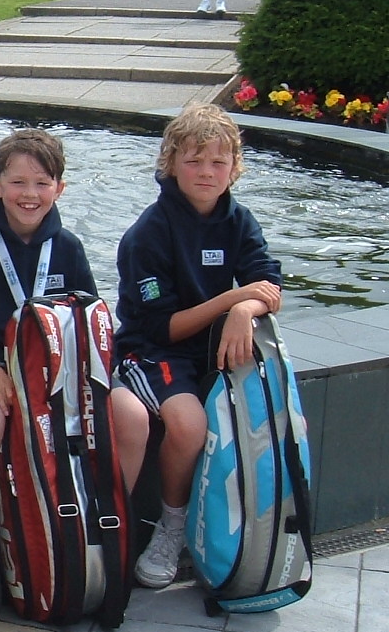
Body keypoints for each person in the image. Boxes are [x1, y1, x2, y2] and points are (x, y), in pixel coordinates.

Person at [116, 104, 282, 588]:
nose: (207, 172)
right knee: (188, 425)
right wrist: (234, 297)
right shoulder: (148, 233)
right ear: (170, 164)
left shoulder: (238, 220)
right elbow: (162, 327)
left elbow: (268, 286)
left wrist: (244, 312)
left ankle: (247, 529)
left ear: (235, 167)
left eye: (218, 161)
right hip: (151, 352)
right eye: (194, 160)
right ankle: (170, 528)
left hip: (213, 348)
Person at [0, 128, 149, 482]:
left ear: (59, 189)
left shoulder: (68, 247)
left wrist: (80, 373)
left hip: (61, 372)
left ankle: (108, 521)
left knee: (133, 416)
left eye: (42, 183)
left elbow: (91, 320)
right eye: (18, 182)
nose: (30, 194)